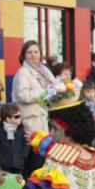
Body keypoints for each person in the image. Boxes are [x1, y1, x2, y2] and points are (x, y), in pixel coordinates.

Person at [12, 40, 55, 177]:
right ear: (23, 55)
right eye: (29, 52)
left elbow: (54, 86)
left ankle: (38, 188)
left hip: (43, 121)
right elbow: (22, 95)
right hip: (30, 121)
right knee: (32, 158)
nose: (33, 55)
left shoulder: (43, 71)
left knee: (42, 157)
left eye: (36, 52)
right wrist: (44, 94)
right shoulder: (23, 72)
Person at [0, 103, 29, 174]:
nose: (20, 118)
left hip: (18, 164)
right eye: (17, 116)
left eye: (20, 116)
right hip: (3, 166)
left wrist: (23, 156)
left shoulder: (21, 130)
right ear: (8, 119)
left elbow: (26, 143)